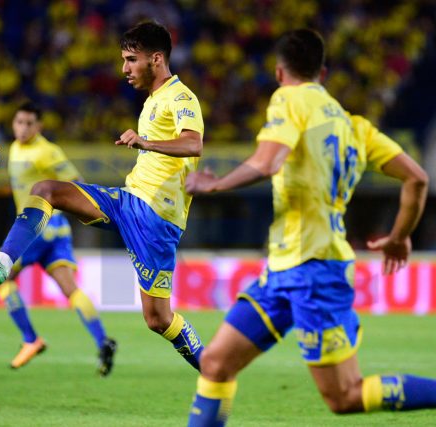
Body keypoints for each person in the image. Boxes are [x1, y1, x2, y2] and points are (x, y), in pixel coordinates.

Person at [185, 29, 436, 426]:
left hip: (314, 270)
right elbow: (417, 178)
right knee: (215, 363)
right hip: (284, 271)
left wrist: (214, 184)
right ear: (323, 72)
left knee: (344, 396)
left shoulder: (289, 99)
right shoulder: (355, 126)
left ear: (279, 72)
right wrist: (399, 237)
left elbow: (268, 161)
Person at [0, 20, 206, 371]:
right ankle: (2, 262)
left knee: (157, 319)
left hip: (156, 219)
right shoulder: (151, 101)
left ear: (157, 59)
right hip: (128, 201)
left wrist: (145, 142)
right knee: (45, 190)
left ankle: (212, 370)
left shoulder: (181, 97)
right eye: (124, 60)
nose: (124, 69)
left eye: (131, 60)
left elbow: (193, 144)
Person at [0, 101, 117, 375]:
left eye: (29, 123)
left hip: (36, 227)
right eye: (19, 122)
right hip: (57, 229)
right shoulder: (16, 149)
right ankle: (103, 340)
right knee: (71, 289)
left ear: (39, 126)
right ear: (13, 124)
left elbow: (78, 182)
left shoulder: (47, 151)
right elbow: (24, 187)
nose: (23, 128)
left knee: (1, 277)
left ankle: (31, 339)